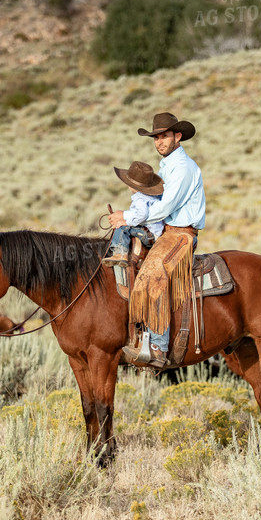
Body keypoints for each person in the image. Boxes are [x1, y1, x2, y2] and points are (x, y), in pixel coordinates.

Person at [108, 112, 206, 367]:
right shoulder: (168, 165)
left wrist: (127, 217)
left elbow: (166, 206)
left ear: (178, 136)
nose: (160, 142)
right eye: (156, 138)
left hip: (181, 235)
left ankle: (158, 346)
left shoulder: (183, 168)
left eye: (164, 136)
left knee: (154, 270)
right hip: (167, 231)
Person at [102, 161, 165, 267]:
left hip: (148, 234)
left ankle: (120, 253)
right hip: (154, 233)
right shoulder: (151, 197)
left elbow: (141, 215)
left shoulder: (140, 198)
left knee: (121, 228)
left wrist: (125, 222)